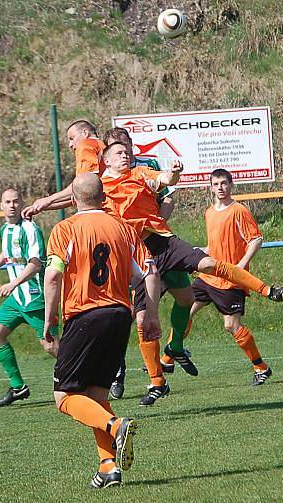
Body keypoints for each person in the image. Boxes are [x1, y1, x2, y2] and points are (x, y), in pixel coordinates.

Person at [100, 142, 283, 405]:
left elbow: (165, 178)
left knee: (209, 266)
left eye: (126, 152)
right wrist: (44, 203)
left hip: (163, 242)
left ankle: (267, 290)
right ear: (106, 160)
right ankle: (157, 382)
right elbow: (77, 196)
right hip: (138, 254)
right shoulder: (100, 187)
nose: (125, 156)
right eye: (119, 153)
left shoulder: (140, 173)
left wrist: (174, 173)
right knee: (144, 321)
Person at [42, 173, 161, 488]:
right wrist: (150, 314)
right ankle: (108, 467)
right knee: (95, 394)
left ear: (73, 200)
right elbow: (147, 273)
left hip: (85, 316)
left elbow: (53, 277)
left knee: (65, 397)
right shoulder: (123, 228)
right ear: (104, 198)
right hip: (119, 316)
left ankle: (117, 425)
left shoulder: (65, 228)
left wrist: (48, 319)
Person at [101, 127, 189, 400]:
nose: (123, 152)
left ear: (131, 146)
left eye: (125, 146)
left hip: (159, 245)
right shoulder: (101, 179)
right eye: (116, 148)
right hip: (126, 252)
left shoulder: (145, 168)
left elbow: (168, 196)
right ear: (107, 154)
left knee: (186, 298)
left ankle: (174, 348)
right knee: (124, 314)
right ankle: (122, 372)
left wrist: (154, 226)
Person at [184, 169, 274, 385]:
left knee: (231, 326)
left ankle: (261, 367)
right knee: (184, 311)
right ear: (211, 187)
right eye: (216, 184)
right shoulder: (209, 212)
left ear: (231, 185)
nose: (220, 188)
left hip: (230, 279)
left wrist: (240, 266)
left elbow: (255, 239)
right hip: (208, 276)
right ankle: (168, 357)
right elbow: (214, 245)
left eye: (224, 183)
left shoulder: (239, 211)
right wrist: (200, 252)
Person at [0, 189, 56, 407]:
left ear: (22, 203)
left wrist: (13, 283)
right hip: (17, 300)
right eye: (7, 202)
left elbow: (36, 263)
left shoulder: (30, 228)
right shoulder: (6, 229)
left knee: (51, 347)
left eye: (15, 201)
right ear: (1, 205)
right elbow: (8, 253)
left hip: (35, 296)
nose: (12, 205)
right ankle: (18, 387)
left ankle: (85, 377)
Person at [22, 120, 105, 218]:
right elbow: (81, 196)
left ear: (85, 133)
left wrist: (48, 200)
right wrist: (43, 206)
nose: (70, 145)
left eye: (72, 138)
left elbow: (85, 187)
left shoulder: (86, 145)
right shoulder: (102, 146)